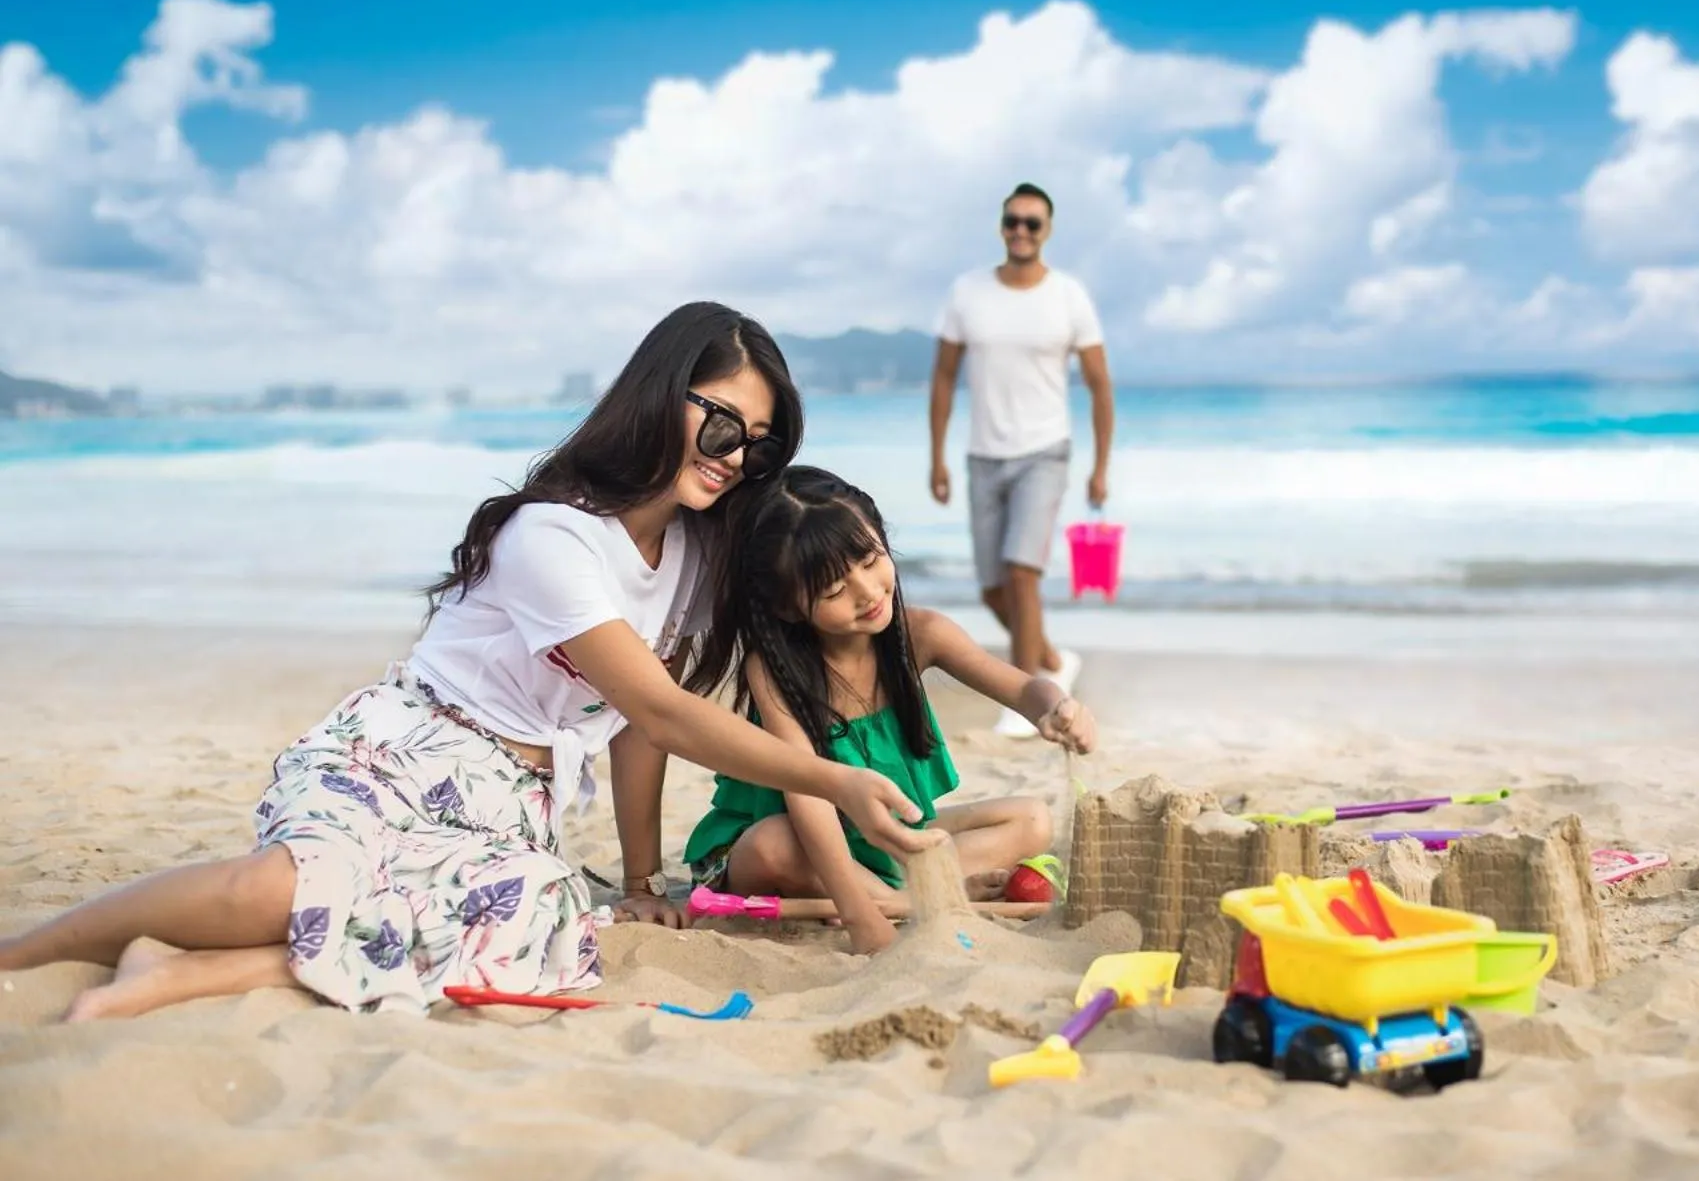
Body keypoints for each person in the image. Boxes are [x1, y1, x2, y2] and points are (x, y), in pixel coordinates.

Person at [0, 303, 938, 1020]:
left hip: (506, 808)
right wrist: (833, 780)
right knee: (281, 886)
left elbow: (627, 728)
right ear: (663, 396)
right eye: (723, 424)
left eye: (760, 443)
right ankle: (24, 953)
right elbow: (658, 711)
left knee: (545, 921)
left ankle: (188, 969)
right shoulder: (552, 536)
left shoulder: (697, 559)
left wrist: (646, 882)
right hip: (400, 754)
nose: (738, 457)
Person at [682, 466, 1096, 955]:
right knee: (772, 843)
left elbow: (1024, 689)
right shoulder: (774, 669)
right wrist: (858, 915)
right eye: (834, 590)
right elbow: (807, 799)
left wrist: (1055, 707)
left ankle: (903, 892)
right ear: (789, 607)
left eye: (869, 558)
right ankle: (903, 897)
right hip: (792, 845)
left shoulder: (923, 634)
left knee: (1031, 821)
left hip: (877, 841)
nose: (867, 592)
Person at [929, 182, 1114, 735]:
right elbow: (943, 377)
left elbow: (1100, 386)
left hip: (1045, 451)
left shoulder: (1069, 296)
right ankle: (1055, 663)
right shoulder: (967, 293)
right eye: (1013, 220)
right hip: (983, 455)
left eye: (1032, 223)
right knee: (991, 587)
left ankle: (1028, 698)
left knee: (1021, 573)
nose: (1021, 231)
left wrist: (1100, 467)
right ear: (1001, 225)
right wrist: (936, 457)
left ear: (1047, 230)